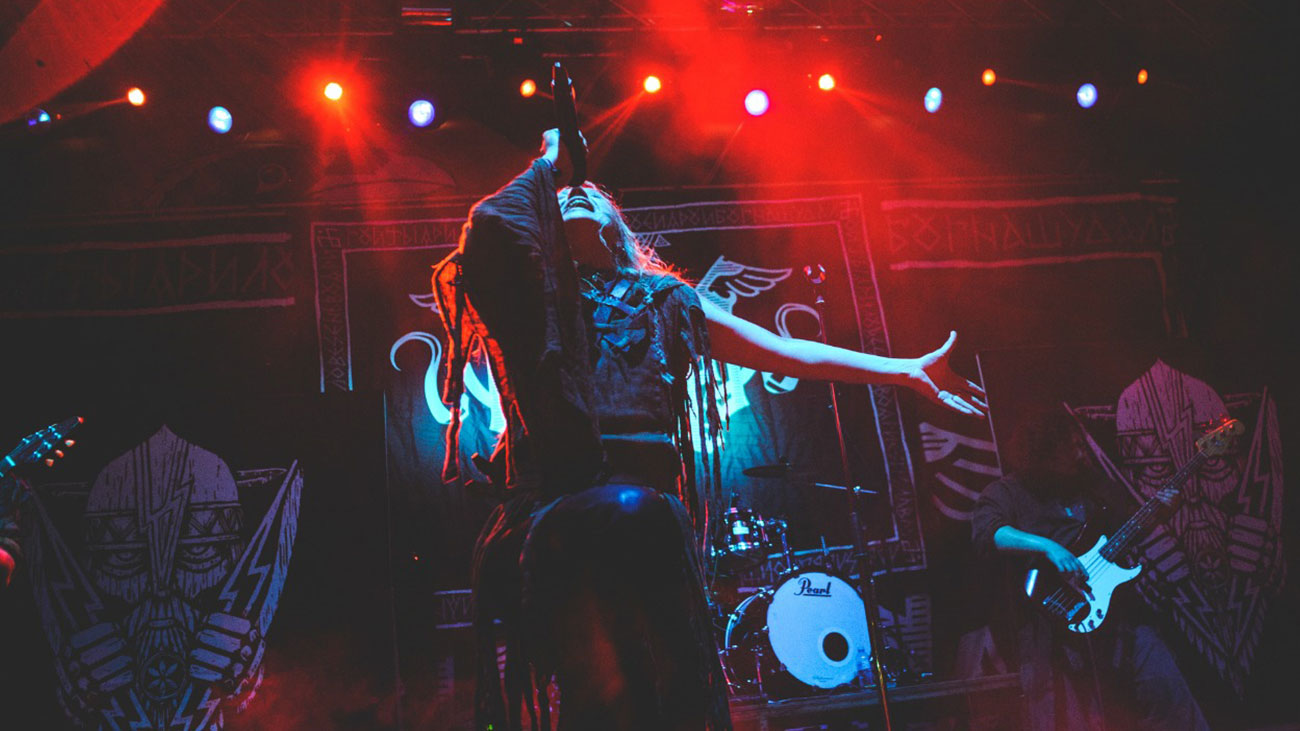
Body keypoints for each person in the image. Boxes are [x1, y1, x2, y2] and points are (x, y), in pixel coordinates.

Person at [433, 128, 986, 731]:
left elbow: (784, 350)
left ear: (617, 226)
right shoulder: (530, 298)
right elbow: (491, 224)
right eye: (564, 194)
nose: (578, 192)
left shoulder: (668, 300)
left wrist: (903, 370)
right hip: (559, 506)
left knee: (669, 690)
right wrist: (549, 162)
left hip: (646, 512)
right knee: (597, 690)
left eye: (591, 192)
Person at [971, 408, 1209, 731]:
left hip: (1120, 617)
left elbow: (1126, 531)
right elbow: (991, 533)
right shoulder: (1007, 492)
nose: (1081, 455)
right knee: (1070, 717)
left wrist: (1160, 514)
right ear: (1044, 452)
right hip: (1053, 626)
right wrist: (1048, 546)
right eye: (1071, 448)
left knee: (1167, 692)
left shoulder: (1094, 487)